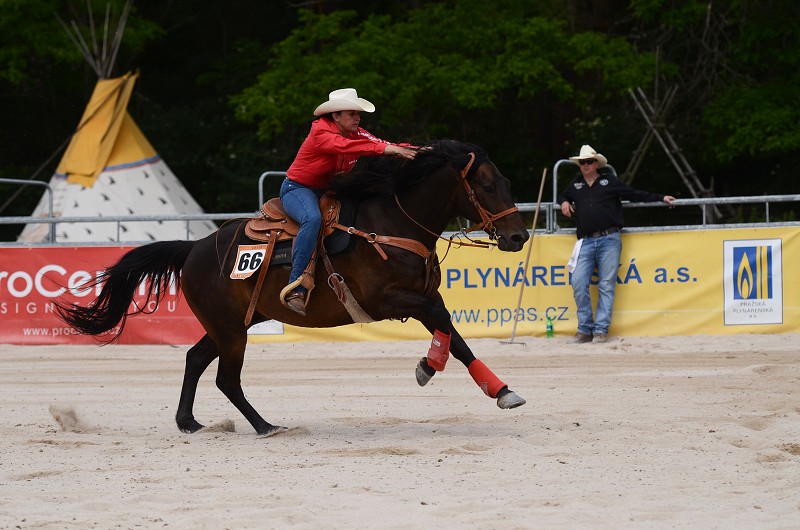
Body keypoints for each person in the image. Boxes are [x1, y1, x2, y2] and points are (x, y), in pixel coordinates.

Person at [279, 88, 418, 316]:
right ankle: (296, 285)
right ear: (336, 116)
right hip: (298, 189)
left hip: (329, 191)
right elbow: (346, 147)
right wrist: (386, 149)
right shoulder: (321, 132)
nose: (357, 118)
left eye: (358, 114)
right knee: (312, 218)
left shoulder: (357, 133)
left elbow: (381, 142)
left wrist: (414, 150)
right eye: (352, 113)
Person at [558, 144, 676, 343]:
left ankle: (600, 330)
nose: (585, 165)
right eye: (582, 162)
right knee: (578, 282)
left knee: (606, 285)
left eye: (588, 162)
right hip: (586, 240)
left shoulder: (608, 181)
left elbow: (633, 193)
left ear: (596, 164)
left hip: (609, 239)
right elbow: (564, 195)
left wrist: (660, 198)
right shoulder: (575, 184)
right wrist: (564, 201)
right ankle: (586, 329)